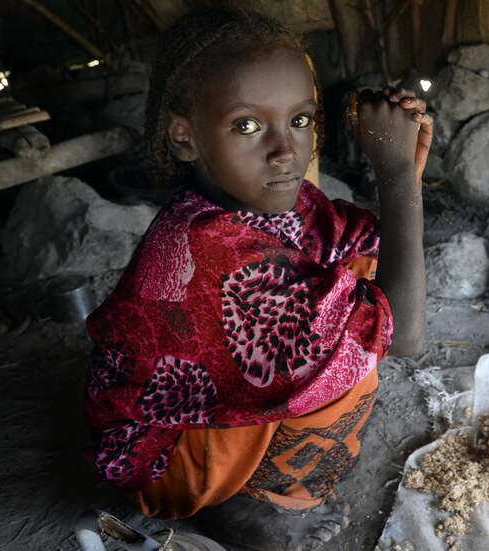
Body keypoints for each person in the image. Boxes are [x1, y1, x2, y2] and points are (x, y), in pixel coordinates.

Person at [83, 6, 431, 550]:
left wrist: (401, 167)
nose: (285, 150)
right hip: (162, 461)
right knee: (347, 349)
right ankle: (255, 509)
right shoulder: (206, 242)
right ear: (183, 138)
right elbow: (402, 335)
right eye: (247, 125)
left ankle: (259, 477)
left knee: (354, 280)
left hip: (195, 426)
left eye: (300, 119)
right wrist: (394, 174)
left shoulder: (254, 202)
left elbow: (369, 247)